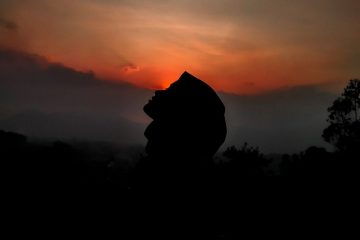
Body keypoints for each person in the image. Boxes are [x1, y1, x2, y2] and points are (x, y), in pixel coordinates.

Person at [132, 71, 227, 187]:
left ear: (181, 110)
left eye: (169, 91)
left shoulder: (163, 170)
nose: (158, 91)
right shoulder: (161, 163)